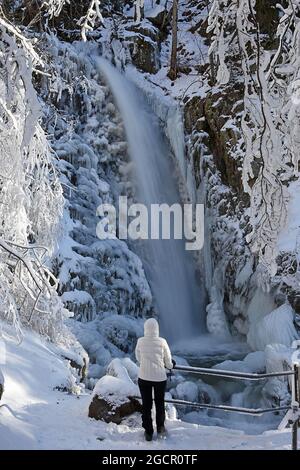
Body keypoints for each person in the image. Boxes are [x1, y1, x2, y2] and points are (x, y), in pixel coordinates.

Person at [135, 318, 175, 441]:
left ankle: (148, 432)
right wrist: (171, 364)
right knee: (159, 404)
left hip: (144, 377)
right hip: (159, 378)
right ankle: (161, 429)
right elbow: (168, 363)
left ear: (145, 329)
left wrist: (146, 363)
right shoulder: (162, 342)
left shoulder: (140, 341)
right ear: (157, 329)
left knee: (146, 405)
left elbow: (138, 358)